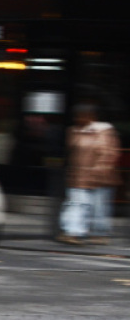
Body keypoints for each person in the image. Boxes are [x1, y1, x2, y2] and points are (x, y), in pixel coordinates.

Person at [57, 103, 122, 245]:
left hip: (100, 179)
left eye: (80, 116)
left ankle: (99, 233)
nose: (77, 119)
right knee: (78, 204)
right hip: (79, 177)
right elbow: (72, 152)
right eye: (76, 116)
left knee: (99, 208)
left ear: (90, 116)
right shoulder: (74, 131)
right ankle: (73, 232)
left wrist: (99, 172)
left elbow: (108, 153)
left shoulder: (103, 131)